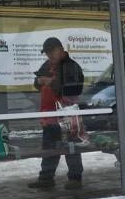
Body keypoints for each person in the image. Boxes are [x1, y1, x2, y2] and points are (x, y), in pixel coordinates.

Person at [28, 37, 85, 190]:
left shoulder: (71, 66)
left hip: (66, 115)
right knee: (49, 148)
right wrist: (39, 82)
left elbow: (73, 89)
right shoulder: (47, 65)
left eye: (51, 52)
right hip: (49, 116)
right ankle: (46, 178)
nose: (48, 56)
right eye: (46, 53)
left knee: (70, 147)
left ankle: (75, 178)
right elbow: (37, 82)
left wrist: (50, 82)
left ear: (60, 49)